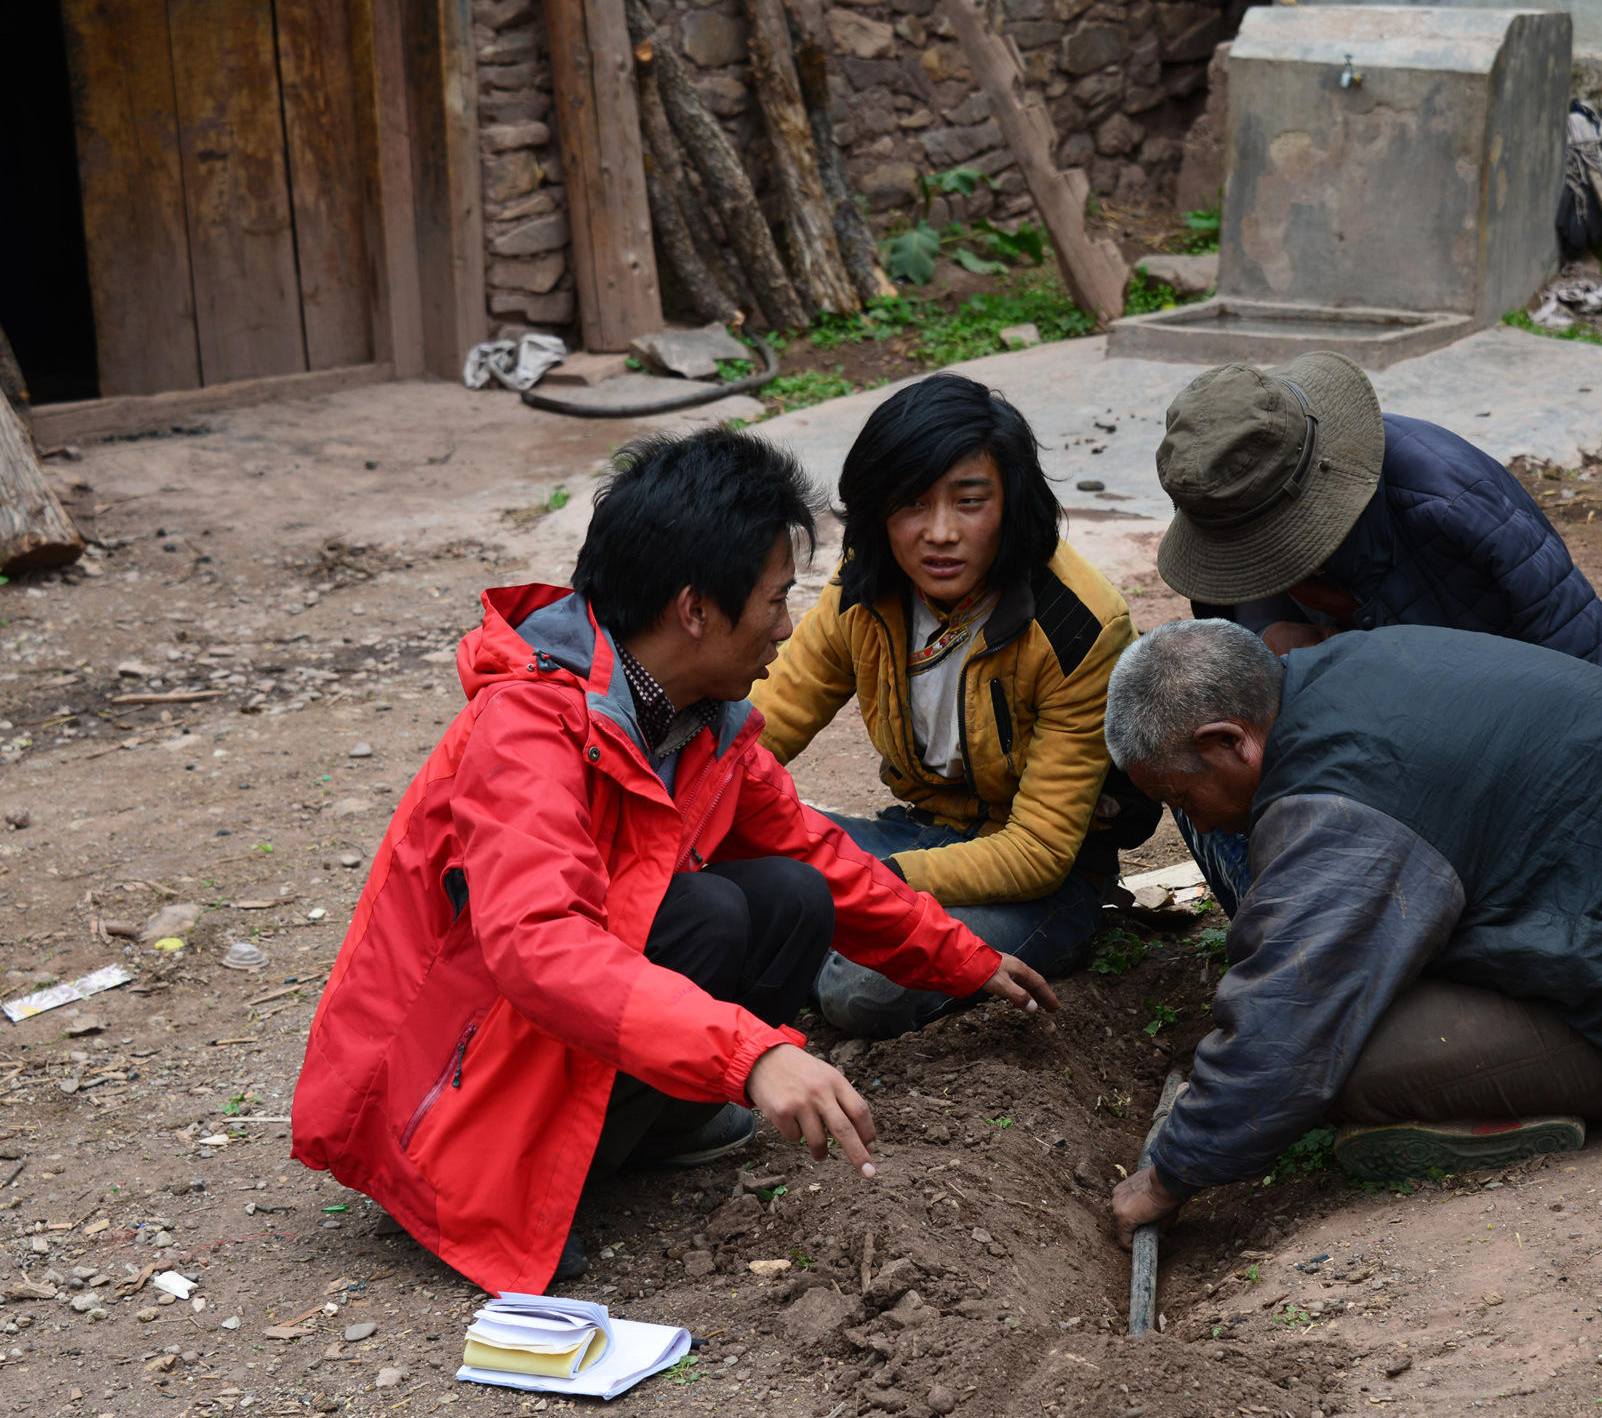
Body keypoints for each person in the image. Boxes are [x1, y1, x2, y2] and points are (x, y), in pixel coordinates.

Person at [290, 428, 1058, 1297]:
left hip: (551, 1021)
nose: (787, 624)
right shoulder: (529, 726)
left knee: (789, 892)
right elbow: (541, 948)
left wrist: (962, 959)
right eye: (774, 600)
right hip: (453, 1084)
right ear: (695, 610)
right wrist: (752, 1057)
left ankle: (647, 1131)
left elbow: (815, 853)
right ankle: (488, 1181)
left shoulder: (702, 718)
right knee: (710, 915)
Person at [1096, 618, 1602, 1247]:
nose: (1197, 821)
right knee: (1348, 1006)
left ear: (1230, 741)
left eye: (1182, 797)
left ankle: (1495, 1124)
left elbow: (1288, 1031)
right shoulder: (1339, 674)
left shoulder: (1339, 807)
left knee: (1346, 1064)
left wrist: (1170, 1175)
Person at [1151, 351, 1602, 916]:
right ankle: (1291, 932)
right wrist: (1279, 650)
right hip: (1362, 761)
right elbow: (1244, 710)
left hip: (1496, 752)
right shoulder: (1226, 508)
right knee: (1192, 771)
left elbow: (1588, 660)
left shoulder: (1450, 502)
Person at [750, 373, 1145, 1038]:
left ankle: (802, 948)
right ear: (877, 510)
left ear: (1010, 502)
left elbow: (1038, 851)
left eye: (969, 502)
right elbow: (763, 726)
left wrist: (864, 882)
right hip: (914, 834)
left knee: (863, 986)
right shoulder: (867, 586)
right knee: (732, 862)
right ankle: (811, 936)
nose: (939, 533)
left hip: (1038, 884)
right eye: (911, 504)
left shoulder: (1080, 627)